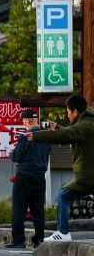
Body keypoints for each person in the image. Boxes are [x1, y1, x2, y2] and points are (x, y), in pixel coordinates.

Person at [27, 94, 94, 242]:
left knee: (63, 195)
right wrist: (57, 127)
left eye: (68, 112)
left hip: (88, 176)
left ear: (75, 112)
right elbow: (72, 134)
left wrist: (36, 136)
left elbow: (67, 135)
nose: (68, 115)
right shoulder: (88, 123)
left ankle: (63, 232)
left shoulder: (85, 125)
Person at [5, 109, 50, 249]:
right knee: (38, 211)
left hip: (24, 176)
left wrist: (10, 153)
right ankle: (39, 240)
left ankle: (18, 240)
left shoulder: (26, 136)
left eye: (23, 121)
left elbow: (17, 156)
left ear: (26, 121)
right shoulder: (46, 137)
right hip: (40, 177)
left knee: (19, 209)